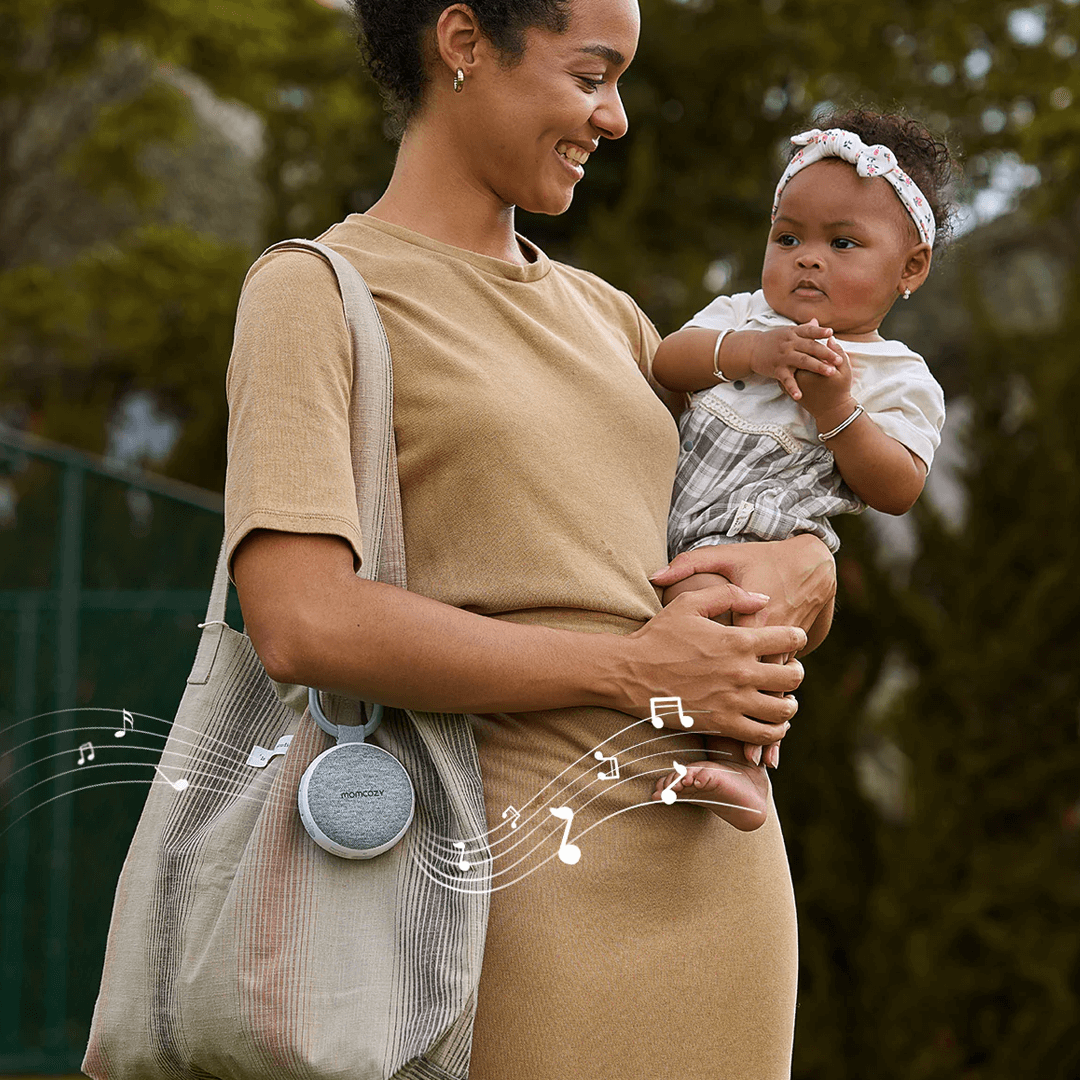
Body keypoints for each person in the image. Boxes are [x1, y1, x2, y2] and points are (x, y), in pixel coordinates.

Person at [225, 1, 834, 1076]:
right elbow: (300, 619)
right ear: (463, 43)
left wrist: (803, 571)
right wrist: (638, 670)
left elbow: (741, 522)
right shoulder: (315, 292)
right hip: (516, 889)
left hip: (723, 884)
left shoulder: (616, 322)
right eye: (592, 75)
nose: (618, 118)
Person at [651, 111, 953, 831]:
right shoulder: (744, 315)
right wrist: (751, 352)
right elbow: (668, 360)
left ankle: (738, 767)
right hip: (664, 512)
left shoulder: (898, 378)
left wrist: (838, 409)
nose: (807, 259)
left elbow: (899, 487)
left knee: (728, 627)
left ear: (910, 268)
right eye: (788, 238)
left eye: (842, 243)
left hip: (756, 543)